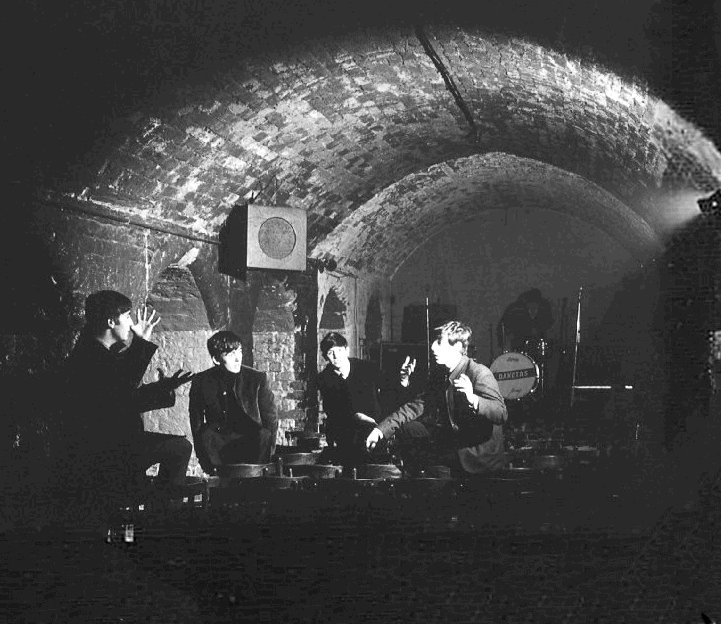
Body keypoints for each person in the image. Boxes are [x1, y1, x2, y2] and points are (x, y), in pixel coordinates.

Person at [64, 290, 194, 502]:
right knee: (179, 447)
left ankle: (160, 513)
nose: (131, 323)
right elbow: (121, 394)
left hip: (118, 442)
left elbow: (123, 398)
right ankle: (164, 516)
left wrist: (165, 387)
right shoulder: (90, 356)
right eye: (126, 316)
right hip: (105, 450)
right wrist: (140, 342)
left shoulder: (102, 351)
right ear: (110, 321)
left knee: (179, 446)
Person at [366, 321, 508, 474]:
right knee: (409, 430)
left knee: (429, 470)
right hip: (455, 445)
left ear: (458, 347)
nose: (433, 346)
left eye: (440, 342)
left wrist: (473, 398)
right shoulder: (440, 374)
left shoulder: (479, 373)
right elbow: (415, 406)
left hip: (478, 456)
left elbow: (501, 413)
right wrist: (380, 430)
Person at [189, 331, 278, 474]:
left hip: (252, 442)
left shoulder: (257, 379)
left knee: (263, 434)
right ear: (216, 360)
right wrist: (203, 458)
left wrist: (268, 455)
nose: (238, 359)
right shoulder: (201, 381)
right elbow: (196, 423)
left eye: (239, 351)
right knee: (206, 433)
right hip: (221, 446)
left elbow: (271, 420)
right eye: (231, 354)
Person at [317, 332, 393, 466]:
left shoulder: (368, 368)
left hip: (374, 431)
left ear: (347, 350)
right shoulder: (324, 378)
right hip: (345, 436)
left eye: (339, 350)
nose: (336, 356)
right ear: (325, 357)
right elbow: (332, 411)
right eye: (330, 353)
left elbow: (389, 394)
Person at [498, 288, 554, 355]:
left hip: (538, 348)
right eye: (531, 304)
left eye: (535, 305)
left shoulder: (544, 308)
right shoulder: (515, 310)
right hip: (518, 348)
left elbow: (549, 323)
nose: (533, 308)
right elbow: (502, 327)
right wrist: (505, 345)